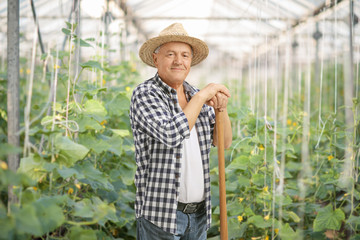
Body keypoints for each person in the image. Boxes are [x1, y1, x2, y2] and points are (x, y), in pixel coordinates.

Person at [129, 23, 232, 240]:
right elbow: (171, 134)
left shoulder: (196, 95)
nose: (179, 61)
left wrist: (221, 109)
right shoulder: (146, 94)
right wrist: (203, 96)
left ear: (190, 62)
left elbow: (223, 143)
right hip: (162, 217)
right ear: (156, 60)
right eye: (170, 54)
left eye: (185, 55)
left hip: (199, 216)